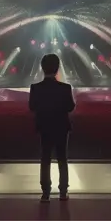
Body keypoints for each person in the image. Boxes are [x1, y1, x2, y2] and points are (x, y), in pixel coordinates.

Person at [28, 53, 76, 202]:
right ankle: (63, 192)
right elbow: (70, 107)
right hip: (61, 126)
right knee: (62, 158)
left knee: (45, 158)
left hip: (44, 126)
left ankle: (45, 193)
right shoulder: (65, 88)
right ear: (57, 68)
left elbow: (32, 107)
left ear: (42, 68)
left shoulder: (35, 88)